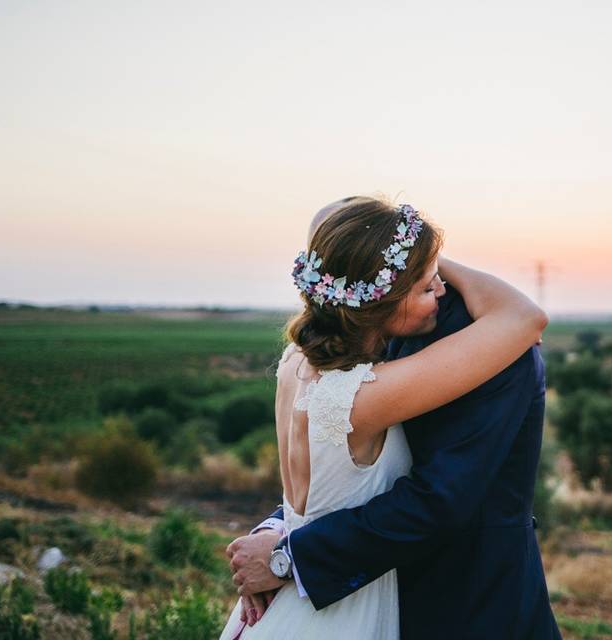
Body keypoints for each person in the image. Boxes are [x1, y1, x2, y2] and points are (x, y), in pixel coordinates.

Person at [221, 196, 560, 639]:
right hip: (344, 602)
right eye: (425, 284)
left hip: (463, 596)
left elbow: (331, 485)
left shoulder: (297, 362)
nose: (438, 289)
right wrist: (287, 554)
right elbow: (524, 317)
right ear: (383, 297)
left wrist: (284, 551)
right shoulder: (365, 388)